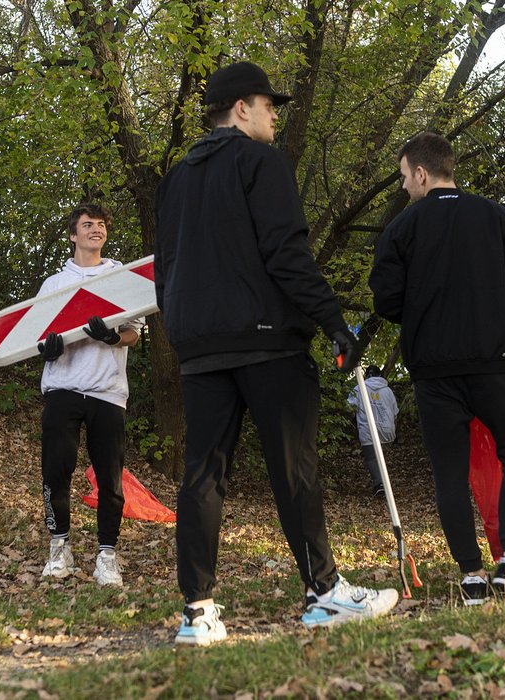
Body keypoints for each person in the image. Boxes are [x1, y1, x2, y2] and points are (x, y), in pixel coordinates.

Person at [155, 60, 398, 646]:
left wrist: (183, 329)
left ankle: (198, 613)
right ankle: (323, 594)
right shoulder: (262, 162)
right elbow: (286, 253)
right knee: (293, 470)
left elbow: (164, 266)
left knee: (203, 475)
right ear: (242, 108)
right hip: (266, 340)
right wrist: (334, 323)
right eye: (269, 106)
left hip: (199, 346)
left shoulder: (177, 178)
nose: (273, 117)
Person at [369, 132, 505, 606]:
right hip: (496, 361)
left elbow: (386, 299)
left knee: (449, 471)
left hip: (433, 369)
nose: (405, 187)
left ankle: (471, 577)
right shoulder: (497, 217)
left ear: (422, 173)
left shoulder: (401, 230)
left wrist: (425, 311)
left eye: (405, 177)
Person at [36, 202, 144, 587]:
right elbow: (36, 336)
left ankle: (106, 556)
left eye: (101, 224)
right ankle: (59, 548)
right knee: (56, 471)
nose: (96, 229)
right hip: (63, 387)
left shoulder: (121, 279)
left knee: (110, 479)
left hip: (108, 392)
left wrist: (115, 337)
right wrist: (44, 348)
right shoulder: (54, 284)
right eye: (87, 224)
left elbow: (135, 330)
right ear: (73, 234)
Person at [347, 365, 399, 497]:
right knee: (382, 457)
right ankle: (384, 483)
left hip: (368, 428)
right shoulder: (388, 391)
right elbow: (395, 413)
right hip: (387, 429)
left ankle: (379, 484)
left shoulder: (359, 388)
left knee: (371, 458)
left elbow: (349, 408)